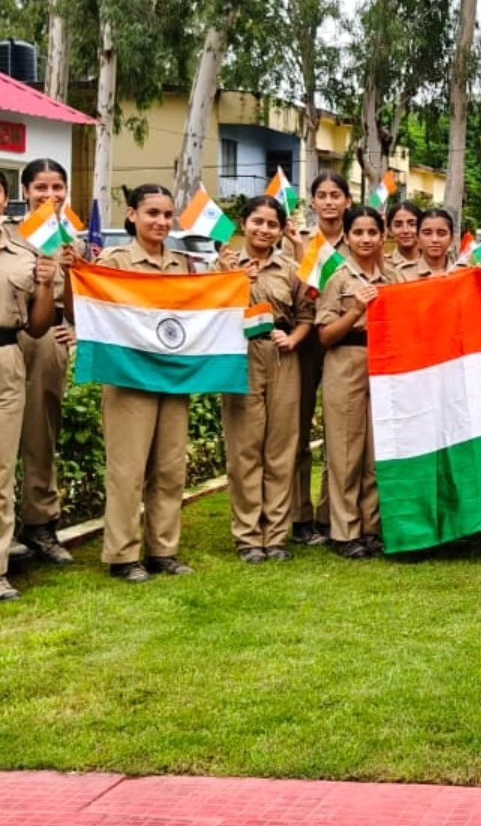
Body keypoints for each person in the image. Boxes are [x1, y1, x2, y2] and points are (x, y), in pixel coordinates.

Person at [89, 185, 194, 584]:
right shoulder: (114, 261)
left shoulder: (183, 265)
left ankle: (163, 550)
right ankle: (123, 555)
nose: (161, 222)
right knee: (127, 470)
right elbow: (92, 311)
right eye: (152, 213)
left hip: (173, 377)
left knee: (170, 468)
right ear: (132, 215)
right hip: (128, 378)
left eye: (167, 214)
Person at [220, 195, 314, 564]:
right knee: (245, 449)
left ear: (280, 230)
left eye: (272, 224)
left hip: (281, 356)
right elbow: (208, 313)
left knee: (281, 449)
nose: (264, 229)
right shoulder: (224, 265)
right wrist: (234, 282)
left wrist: (293, 339)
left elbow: (307, 316)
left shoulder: (289, 269)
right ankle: (247, 536)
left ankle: (275, 535)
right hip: (239, 356)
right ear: (243, 224)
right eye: (257, 222)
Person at [317, 205, 394, 559]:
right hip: (345, 361)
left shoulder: (392, 277)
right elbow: (325, 335)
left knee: (376, 451)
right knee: (345, 450)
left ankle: (371, 527)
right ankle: (344, 530)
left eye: (372, 232)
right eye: (358, 232)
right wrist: (355, 309)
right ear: (346, 237)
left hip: (383, 363)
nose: (366, 239)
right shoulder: (337, 278)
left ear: (382, 236)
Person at [14, 158, 78, 567]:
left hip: (49, 340)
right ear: (25, 192)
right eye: (41, 187)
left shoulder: (72, 241)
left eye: (57, 187)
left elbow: (80, 306)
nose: (49, 195)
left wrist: (74, 328)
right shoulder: (9, 235)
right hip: (8, 336)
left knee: (41, 433)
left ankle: (40, 524)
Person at [0, 172, 58, 602]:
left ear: (5, 201)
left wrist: (46, 283)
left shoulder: (25, 252)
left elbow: (37, 326)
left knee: (2, 472)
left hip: (6, 357)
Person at [291, 170, 351, 547]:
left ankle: (330, 514)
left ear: (347, 201)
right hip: (302, 340)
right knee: (296, 428)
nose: (329, 202)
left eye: (336, 195)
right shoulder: (298, 241)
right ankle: (299, 514)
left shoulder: (358, 238)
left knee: (339, 432)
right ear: (312, 201)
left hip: (342, 342)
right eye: (322, 195)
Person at [396, 207, 456, 280]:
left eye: (441, 233)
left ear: (452, 239)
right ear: (417, 238)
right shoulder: (402, 274)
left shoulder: (463, 272)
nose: (434, 239)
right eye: (427, 233)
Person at [385, 200, 422, 274]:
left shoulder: (436, 261)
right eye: (398, 225)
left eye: (412, 224)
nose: (405, 231)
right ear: (390, 230)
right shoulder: (383, 266)